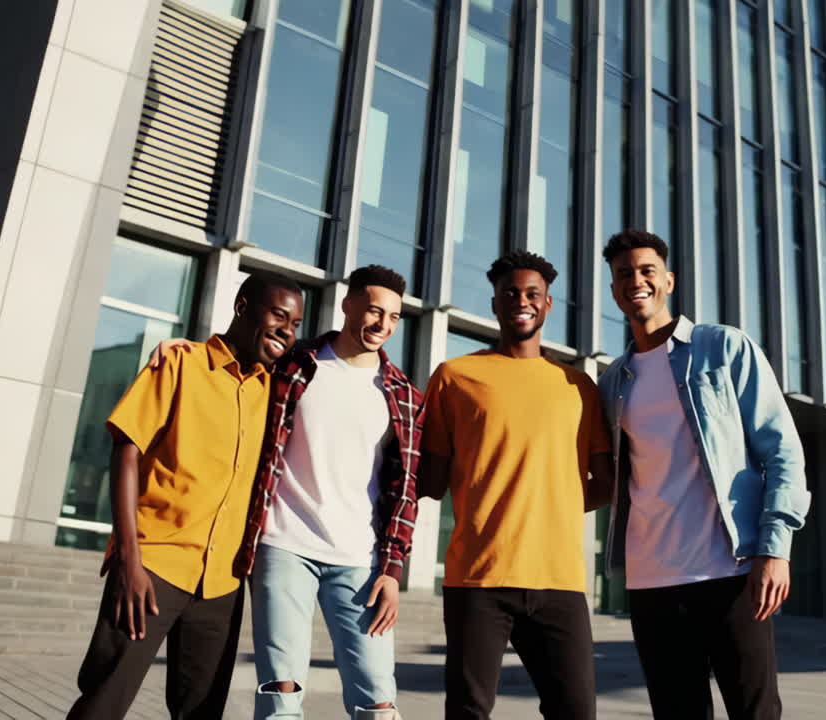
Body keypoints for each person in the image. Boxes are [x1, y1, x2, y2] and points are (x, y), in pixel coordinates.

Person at [147, 265, 423, 719]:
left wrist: (393, 569)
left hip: (359, 559)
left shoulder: (403, 394)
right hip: (283, 547)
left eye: (394, 317)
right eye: (375, 311)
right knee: (281, 690)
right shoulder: (293, 363)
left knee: (377, 698)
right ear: (348, 304)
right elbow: (231, 363)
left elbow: (404, 489)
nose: (383, 324)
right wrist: (186, 350)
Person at [67, 272, 304, 720]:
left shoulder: (274, 391)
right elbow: (127, 451)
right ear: (242, 307)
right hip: (154, 565)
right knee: (104, 700)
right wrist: (129, 561)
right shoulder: (180, 363)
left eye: (295, 324)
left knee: (202, 712)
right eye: (278, 316)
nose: (286, 331)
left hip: (223, 582)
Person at [596, 230, 811, 720]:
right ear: (613, 290)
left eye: (647, 270)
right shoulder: (613, 382)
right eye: (624, 274)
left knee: (755, 711)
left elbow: (782, 450)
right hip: (651, 580)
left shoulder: (723, 347)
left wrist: (775, 548)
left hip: (730, 571)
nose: (636, 280)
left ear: (668, 280)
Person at [418, 251, 613, 720]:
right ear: (494, 303)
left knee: (576, 712)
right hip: (478, 578)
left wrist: (548, 506)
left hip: (559, 580)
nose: (521, 301)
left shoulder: (579, 386)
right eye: (510, 293)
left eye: (532, 294)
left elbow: (606, 484)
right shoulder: (455, 377)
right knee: (468, 712)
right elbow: (431, 480)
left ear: (548, 305)